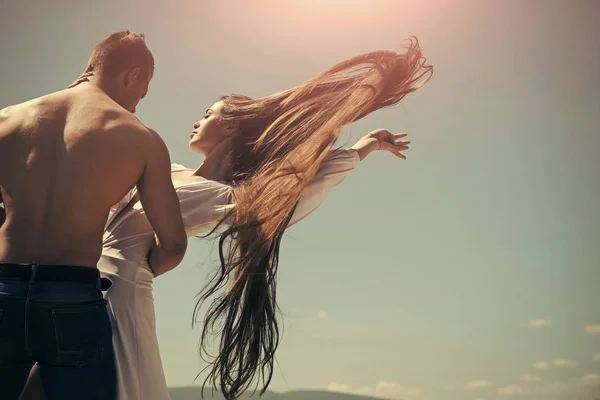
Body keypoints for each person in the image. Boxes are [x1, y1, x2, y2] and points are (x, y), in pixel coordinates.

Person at [21, 37, 433, 400]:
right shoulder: (167, 169)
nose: (197, 119)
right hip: (74, 283)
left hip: (117, 295)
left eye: (209, 112)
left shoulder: (225, 199)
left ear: (233, 126)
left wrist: (363, 147)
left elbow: (298, 189)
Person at [0, 30, 188, 400]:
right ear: (132, 75)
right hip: (71, 295)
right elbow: (174, 244)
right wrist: (143, 267)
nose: (136, 104)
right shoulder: (141, 138)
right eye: (142, 91)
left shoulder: (7, 119)